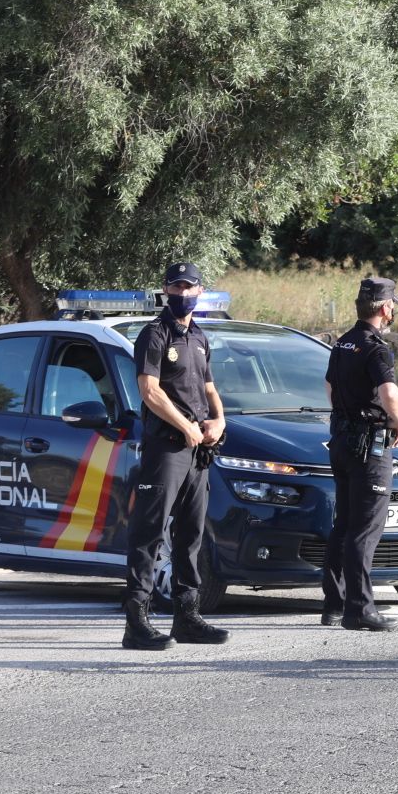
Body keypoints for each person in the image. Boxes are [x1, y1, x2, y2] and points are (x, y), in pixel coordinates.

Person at [122, 263, 229, 651]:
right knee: (148, 534)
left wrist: (218, 420)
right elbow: (149, 391)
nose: (182, 292)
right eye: (175, 285)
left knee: (190, 535)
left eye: (189, 286)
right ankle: (137, 623)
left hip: (198, 450)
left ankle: (187, 617)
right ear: (166, 290)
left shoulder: (199, 337)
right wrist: (186, 427)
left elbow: (209, 388)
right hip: (167, 447)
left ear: (200, 291)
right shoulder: (154, 334)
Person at [322, 276, 398, 632]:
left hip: (341, 442)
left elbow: (329, 386)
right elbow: (388, 391)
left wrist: (347, 416)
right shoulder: (375, 348)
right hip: (369, 445)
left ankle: (334, 604)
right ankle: (359, 609)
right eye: (393, 306)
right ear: (385, 308)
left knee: (343, 524)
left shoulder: (342, 343)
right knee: (365, 528)